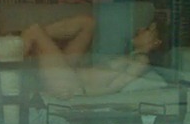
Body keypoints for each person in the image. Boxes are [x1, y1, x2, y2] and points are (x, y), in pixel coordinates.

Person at [21, 15, 161, 98]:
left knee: (34, 31)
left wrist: (84, 94)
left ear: (156, 42)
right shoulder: (132, 56)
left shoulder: (141, 61)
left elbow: (115, 87)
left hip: (71, 85)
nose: (140, 29)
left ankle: (13, 52)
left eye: (147, 29)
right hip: (71, 73)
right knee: (88, 22)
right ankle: (23, 41)